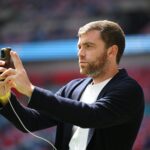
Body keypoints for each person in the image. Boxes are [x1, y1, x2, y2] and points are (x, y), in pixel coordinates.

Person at [0, 20, 144, 150]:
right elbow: (31, 122)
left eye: (88, 46)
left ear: (111, 51)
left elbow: (92, 116)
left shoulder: (129, 90)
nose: (80, 53)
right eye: (79, 46)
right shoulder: (73, 88)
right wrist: (4, 97)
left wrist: (30, 90)